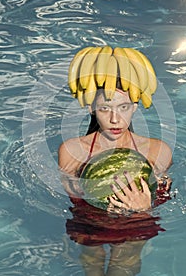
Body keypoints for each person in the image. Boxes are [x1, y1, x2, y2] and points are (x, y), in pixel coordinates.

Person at [58, 46, 172, 276]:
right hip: (91, 220)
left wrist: (142, 210)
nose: (114, 119)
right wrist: (88, 195)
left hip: (137, 221)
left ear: (135, 107)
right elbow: (69, 199)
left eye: (123, 107)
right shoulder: (72, 151)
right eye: (104, 108)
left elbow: (166, 195)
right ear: (91, 109)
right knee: (92, 260)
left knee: (124, 262)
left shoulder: (158, 151)